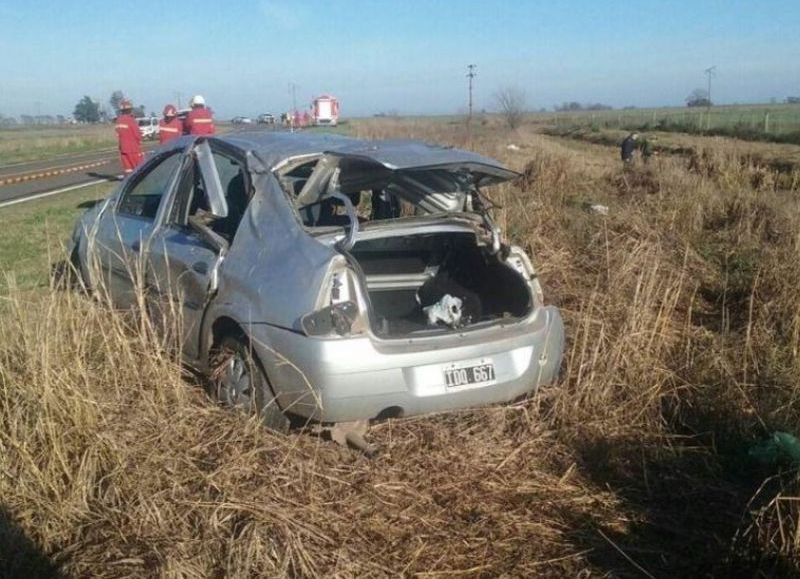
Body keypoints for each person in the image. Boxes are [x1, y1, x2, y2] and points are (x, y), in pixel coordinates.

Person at [115, 99, 143, 174]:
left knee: (128, 170)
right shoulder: (131, 120)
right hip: (133, 149)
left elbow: (118, 134)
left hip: (123, 149)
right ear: (130, 110)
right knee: (140, 169)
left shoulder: (118, 120)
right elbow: (138, 135)